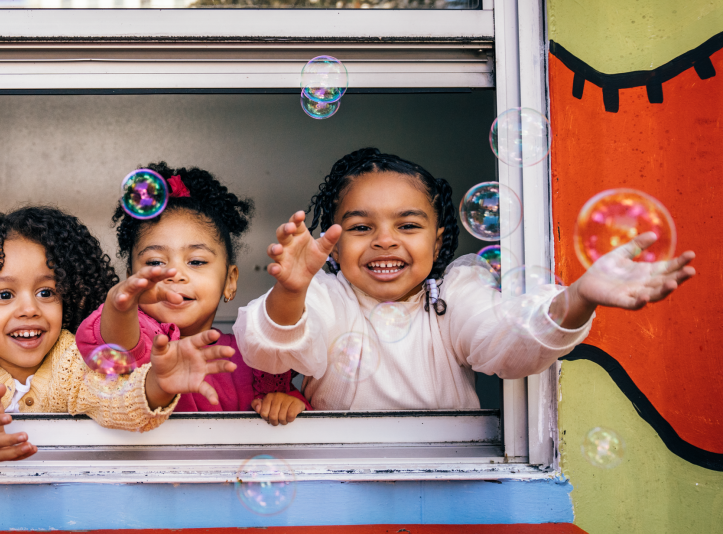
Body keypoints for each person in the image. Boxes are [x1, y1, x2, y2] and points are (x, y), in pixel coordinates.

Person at [234, 148, 696, 410]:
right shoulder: (328, 296)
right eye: (360, 228)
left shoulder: (454, 292)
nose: (384, 240)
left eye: (408, 226)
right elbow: (271, 351)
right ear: (333, 246)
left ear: (438, 243)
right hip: (338, 474)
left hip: (448, 475)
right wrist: (291, 291)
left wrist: (576, 299)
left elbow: (510, 343)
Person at [0, 206, 235, 466]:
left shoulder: (71, 357)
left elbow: (114, 401)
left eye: (46, 292)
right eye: (4, 295)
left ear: (69, 295)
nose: (29, 309)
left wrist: (157, 385)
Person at [77, 163, 310, 425]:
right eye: (155, 263)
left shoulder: (252, 356)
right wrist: (120, 307)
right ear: (132, 279)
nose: (174, 274)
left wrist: (288, 405)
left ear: (229, 281)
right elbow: (116, 342)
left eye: (196, 262)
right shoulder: (140, 337)